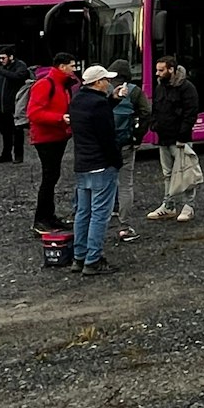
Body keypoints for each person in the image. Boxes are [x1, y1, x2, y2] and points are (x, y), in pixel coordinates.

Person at [68, 64, 123, 275]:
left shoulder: (77, 101)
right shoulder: (99, 105)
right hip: (101, 164)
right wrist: (116, 161)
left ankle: (79, 257)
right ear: (98, 82)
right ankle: (93, 259)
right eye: (106, 80)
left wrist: (112, 100)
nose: (109, 83)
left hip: (83, 164)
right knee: (100, 214)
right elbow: (107, 137)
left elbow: (91, 119)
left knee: (83, 213)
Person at [145, 55, 202, 222]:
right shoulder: (160, 87)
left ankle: (188, 206)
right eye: (157, 70)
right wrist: (154, 124)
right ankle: (168, 205)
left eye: (161, 70)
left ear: (171, 69)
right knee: (168, 174)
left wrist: (183, 136)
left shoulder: (187, 88)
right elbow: (156, 108)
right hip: (164, 137)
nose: (157, 73)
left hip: (179, 139)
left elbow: (191, 113)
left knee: (186, 173)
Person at [28, 53, 79, 234]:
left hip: (57, 136)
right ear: (62, 66)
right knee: (49, 178)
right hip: (46, 138)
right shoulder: (45, 84)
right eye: (72, 66)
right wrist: (60, 118)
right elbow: (33, 113)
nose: (75, 69)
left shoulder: (62, 85)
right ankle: (41, 220)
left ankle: (48, 217)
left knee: (52, 176)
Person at [106, 58, 151, 242]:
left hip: (105, 146)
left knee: (104, 185)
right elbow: (146, 113)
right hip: (126, 144)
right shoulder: (134, 91)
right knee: (126, 184)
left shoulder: (104, 90)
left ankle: (100, 225)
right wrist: (137, 138)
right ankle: (124, 227)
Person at [0, 47, 32, 164]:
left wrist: (0, 71)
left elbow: (18, 77)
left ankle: (18, 155)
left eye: (3, 58)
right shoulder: (2, 69)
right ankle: (6, 154)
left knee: (17, 132)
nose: (1, 60)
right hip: (2, 105)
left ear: (11, 57)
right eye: (0, 58)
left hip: (15, 105)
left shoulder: (20, 66)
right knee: (4, 132)